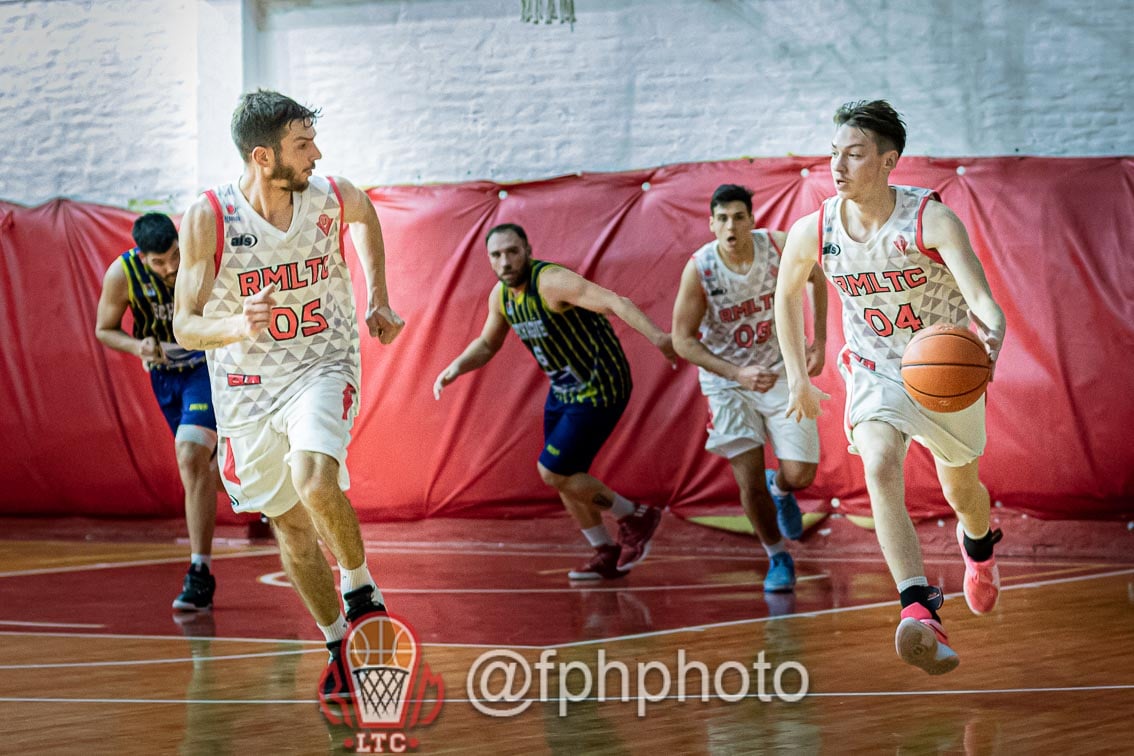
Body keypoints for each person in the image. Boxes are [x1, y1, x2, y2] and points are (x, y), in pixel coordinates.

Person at [172, 90, 404, 705]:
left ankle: (361, 591)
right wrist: (236, 327)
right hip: (247, 386)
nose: (317, 154)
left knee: (313, 476)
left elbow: (365, 215)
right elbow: (184, 326)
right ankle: (336, 646)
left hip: (322, 359)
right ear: (262, 156)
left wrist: (377, 294)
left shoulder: (329, 193)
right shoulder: (210, 217)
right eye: (303, 145)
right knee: (290, 524)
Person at [774, 100, 1007, 674]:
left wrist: (991, 339)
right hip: (877, 369)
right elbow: (785, 296)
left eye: (853, 154)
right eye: (833, 154)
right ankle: (917, 606)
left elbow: (983, 304)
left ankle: (978, 548)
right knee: (877, 461)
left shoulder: (931, 220)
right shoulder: (818, 228)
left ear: (887, 161)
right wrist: (799, 377)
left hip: (943, 373)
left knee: (963, 494)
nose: (838, 165)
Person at [433, 223, 675, 580]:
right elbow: (487, 343)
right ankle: (604, 550)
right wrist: (455, 367)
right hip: (563, 390)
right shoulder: (501, 297)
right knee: (564, 476)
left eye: (512, 251)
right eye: (496, 255)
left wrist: (659, 338)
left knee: (552, 471)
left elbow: (614, 301)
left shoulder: (550, 281)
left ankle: (635, 515)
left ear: (528, 250)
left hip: (601, 384)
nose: (505, 261)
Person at [671, 184, 827, 595]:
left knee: (801, 474)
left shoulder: (777, 247)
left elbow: (816, 276)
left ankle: (783, 488)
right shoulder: (700, 269)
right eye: (721, 218)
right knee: (748, 482)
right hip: (729, 385)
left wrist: (819, 343)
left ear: (752, 220)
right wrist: (736, 373)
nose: (730, 225)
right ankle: (777, 555)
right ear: (711, 224)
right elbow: (683, 340)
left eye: (738, 216)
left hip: (779, 371)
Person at [95, 213, 219, 612]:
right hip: (166, 376)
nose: (170, 268)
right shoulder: (122, 272)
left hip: (206, 366)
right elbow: (105, 328)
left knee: (189, 452)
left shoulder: (201, 258)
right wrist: (138, 347)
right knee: (205, 471)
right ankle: (261, 491)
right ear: (141, 257)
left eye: (173, 257)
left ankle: (200, 572)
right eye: (159, 262)